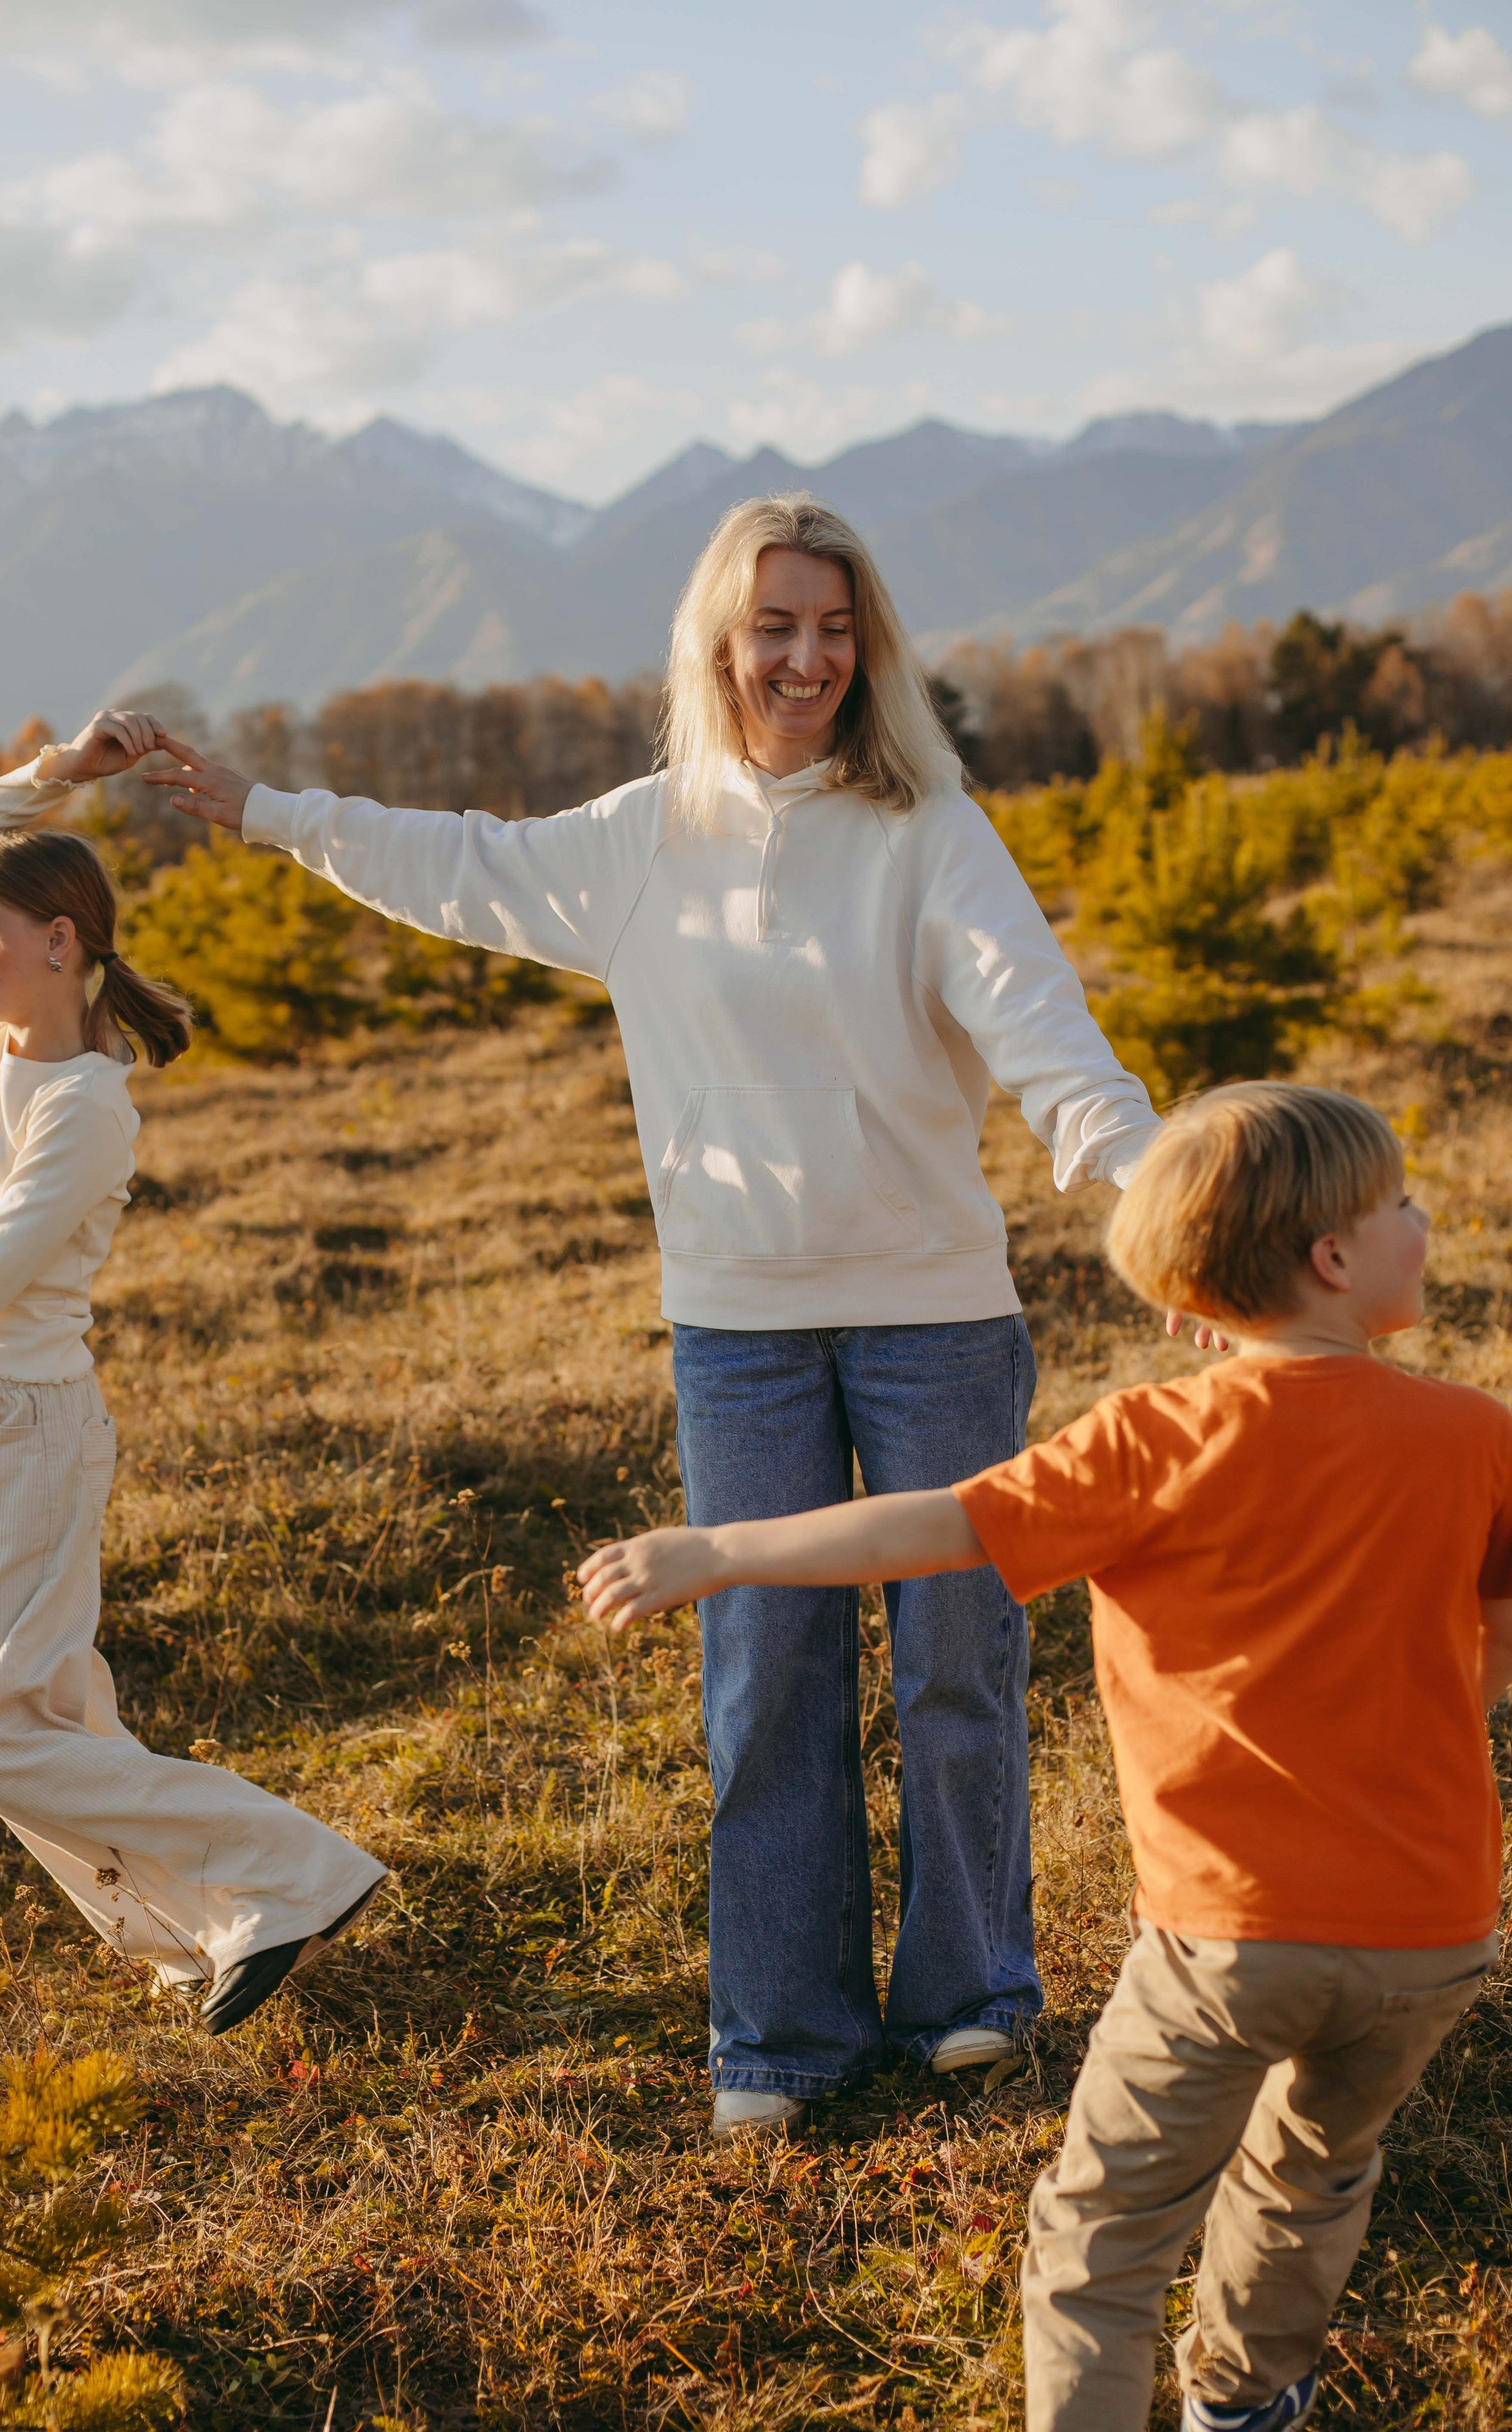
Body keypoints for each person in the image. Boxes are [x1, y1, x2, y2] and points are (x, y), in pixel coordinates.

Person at [149, 494, 1160, 2138]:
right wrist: (258, 808)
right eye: (776, 627)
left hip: (932, 1316)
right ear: (717, 641)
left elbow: (1045, 1033)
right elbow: (454, 864)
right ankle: (778, 2036)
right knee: (761, 1670)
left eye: (836, 629)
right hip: (739, 1327)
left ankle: (971, 2000)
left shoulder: (930, 831)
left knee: (956, 1663)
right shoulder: (639, 839)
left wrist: (1150, 1196)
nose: (808, 659)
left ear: (868, 645)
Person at [577, 1079, 1511, 2432]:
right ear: (1336, 1256)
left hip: (1225, 1935)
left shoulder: (1151, 1441)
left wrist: (718, 1550)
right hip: (1433, 1929)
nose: (1432, 1222)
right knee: (1313, 2164)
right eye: (1410, 1202)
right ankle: (1236, 2399)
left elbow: (926, 1527)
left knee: (1098, 2236)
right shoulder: (1474, 1434)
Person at [0, 712, 386, 2035]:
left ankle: (295, 1873)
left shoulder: (85, 1109)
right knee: (53, 1709)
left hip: (21, 1426)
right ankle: (200, 1932)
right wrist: (60, 777)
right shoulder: (0, 1041)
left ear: (63, 944)